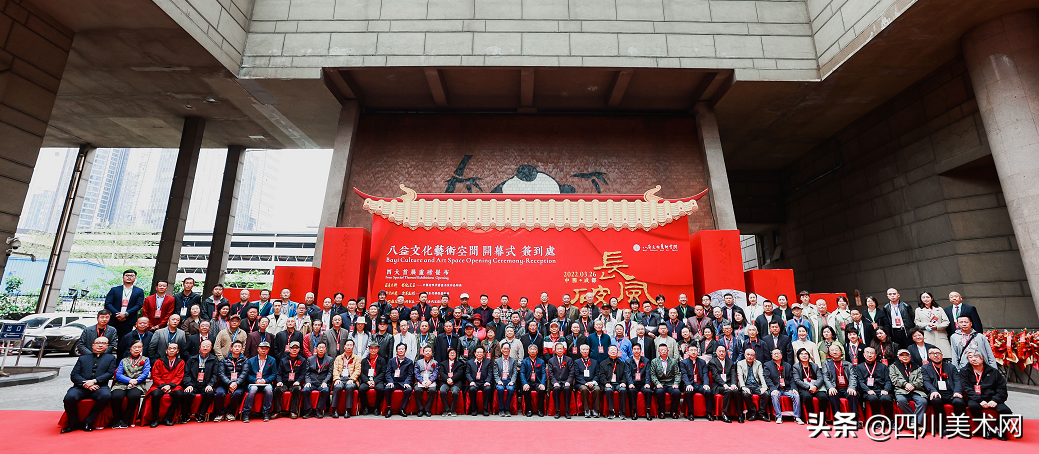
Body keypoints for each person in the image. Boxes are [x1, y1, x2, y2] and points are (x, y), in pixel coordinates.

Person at [62, 337, 117, 433]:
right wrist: (86, 384)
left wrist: (94, 381)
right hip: (81, 387)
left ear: (107, 346)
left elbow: (109, 373)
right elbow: (74, 375)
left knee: (106, 396)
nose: (100, 345)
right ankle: (73, 424)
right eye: (98, 343)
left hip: (99, 386)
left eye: (104, 343)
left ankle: (87, 422)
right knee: (69, 398)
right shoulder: (83, 358)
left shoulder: (111, 358)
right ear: (93, 345)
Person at [960, 350, 1012, 439]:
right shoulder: (964, 371)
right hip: (975, 398)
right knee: (973, 406)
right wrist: (980, 400)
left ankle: (1000, 430)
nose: (973, 359)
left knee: (1006, 411)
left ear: (982, 358)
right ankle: (986, 427)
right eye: (970, 357)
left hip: (992, 397)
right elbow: (967, 389)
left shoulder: (993, 371)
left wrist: (995, 400)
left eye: (976, 357)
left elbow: (1001, 388)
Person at [110, 340, 150, 428]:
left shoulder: (145, 360)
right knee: (116, 396)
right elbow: (118, 375)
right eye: (134, 347)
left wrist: (135, 381)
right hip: (121, 383)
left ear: (142, 349)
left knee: (134, 396)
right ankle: (117, 419)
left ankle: (125, 419)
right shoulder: (124, 360)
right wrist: (129, 380)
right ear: (130, 349)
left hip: (138, 384)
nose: (137, 349)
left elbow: (145, 373)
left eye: (139, 347)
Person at [921, 347, 966, 424]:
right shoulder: (925, 368)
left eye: (938, 353)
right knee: (935, 401)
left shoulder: (951, 367)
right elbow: (926, 381)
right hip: (937, 393)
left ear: (942, 355)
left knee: (959, 401)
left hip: (951, 393)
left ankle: (961, 427)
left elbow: (957, 380)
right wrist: (933, 391)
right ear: (929, 356)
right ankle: (943, 426)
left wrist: (957, 392)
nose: (936, 355)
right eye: (933, 353)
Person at [146, 343, 185, 427]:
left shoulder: (181, 362)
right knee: (156, 394)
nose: (171, 350)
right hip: (159, 385)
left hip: (173, 385)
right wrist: (163, 385)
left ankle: (167, 418)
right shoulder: (159, 361)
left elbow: (179, 376)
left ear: (177, 351)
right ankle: (155, 419)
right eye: (170, 348)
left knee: (179, 394)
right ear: (166, 351)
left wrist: (170, 385)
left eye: (174, 348)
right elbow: (155, 375)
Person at [180, 339, 217, 423]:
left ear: (211, 348)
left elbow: (215, 375)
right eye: (203, 346)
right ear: (199, 348)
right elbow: (186, 374)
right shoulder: (192, 359)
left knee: (210, 393)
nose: (205, 348)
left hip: (205, 384)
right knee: (186, 393)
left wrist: (210, 385)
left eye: (208, 346)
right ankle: (185, 415)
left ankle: (201, 414)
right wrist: (189, 384)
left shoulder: (214, 360)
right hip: (193, 384)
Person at [823, 343, 859, 426]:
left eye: (836, 350)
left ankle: (855, 419)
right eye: (832, 350)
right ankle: (838, 418)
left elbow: (853, 377)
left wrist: (852, 387)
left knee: (853, 395)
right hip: (835, 388)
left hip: (847, 388)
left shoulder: (848, 364)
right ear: (829, 353)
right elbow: (825, 377)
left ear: (841, 352)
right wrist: (830, 387)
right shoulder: (826, 363)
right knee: (832, 395)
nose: (834, 352)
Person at [763, 347, 803, 424]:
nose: (777, 355)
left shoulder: (787, 365)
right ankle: (778, 416)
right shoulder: (767, 365)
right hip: (776, 388)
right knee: (774, 395)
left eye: (778, 353)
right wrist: (773, 389)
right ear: (772, 355)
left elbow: (791, 378)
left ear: (781, 355)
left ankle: (797, 417)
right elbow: (767, 378)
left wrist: (794, 388)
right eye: (774, 354)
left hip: (786, 388)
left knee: (796, 395)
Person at [890, 348, 927, 427]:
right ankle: (915, 420)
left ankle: (914, 422)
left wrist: (913, 385)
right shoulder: (893, 366)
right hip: (901, 390)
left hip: (916, 390)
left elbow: (921, 380)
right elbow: (894, 379)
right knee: (901, 400)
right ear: (898, 357)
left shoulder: (917, 366)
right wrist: (905, 384)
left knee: (923, 401)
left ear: (910, 357)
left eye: (907, 355)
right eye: (902, 355)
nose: (905, 357)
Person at [104, 270, 145, 338]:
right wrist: (117, 314)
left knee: (124, 342)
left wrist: (126, 314)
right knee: (109, 339)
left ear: (135, 278)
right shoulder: (114, 290)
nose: (129, 277)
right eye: (127, 275)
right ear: (123, 277)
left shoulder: (139, 291)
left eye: (131, 276)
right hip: (114, 319)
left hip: (128, 320)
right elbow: (108, 303)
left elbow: (138, 305)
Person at [242, 341, 277, 422]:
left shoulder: (272, 360)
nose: (263, 350)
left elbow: (274, 374)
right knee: (253, 389)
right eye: (261, 348)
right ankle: (246, 412)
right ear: (258, 349)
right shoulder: (250, 360)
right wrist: (255, 380)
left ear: (268, 350)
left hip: (266, 383)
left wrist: (266, 380)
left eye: (266, 349)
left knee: (269, 389)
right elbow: (247, 374)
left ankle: (266, 412)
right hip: (253, 383)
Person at [214, 340, 248, 421]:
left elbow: (244, 373)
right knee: (219, 393)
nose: (237, 348)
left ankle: (230, 412)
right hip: (225, 384)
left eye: (239, 347)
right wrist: (230, 383)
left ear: (242, 349)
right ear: (231, 348)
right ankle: (220, 413)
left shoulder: (245, 360)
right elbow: (221, 373)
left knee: (237, 393)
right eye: (235, 346)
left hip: (239, 384)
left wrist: (236, 383)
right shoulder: (224, 360)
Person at [857, 348, 893, 421]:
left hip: (881, 389)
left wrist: (886, 390)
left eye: (871, 353)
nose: (869, 355)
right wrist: (868, 390)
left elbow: (888, 380)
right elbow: (860, 381)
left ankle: (890, 420)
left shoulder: (883, 367)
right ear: (864, 355)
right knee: (873, 398)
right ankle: (877, 421)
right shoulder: (859, 367)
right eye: (867, 353)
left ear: (875, 356)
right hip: (868, 391)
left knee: (886, 398)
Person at [792, 347, 829, 420]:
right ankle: (812, 417)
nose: (804, 355)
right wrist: (809, 387)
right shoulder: (795, 367)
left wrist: (815, 386)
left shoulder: (814, 365)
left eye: (806, 354)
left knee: (824, 397)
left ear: (809, 356)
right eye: (801, 354)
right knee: (807, 397)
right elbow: (797, 380)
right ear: (798, 356)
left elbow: (820, 378)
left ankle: (822, 418)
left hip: (816, 387)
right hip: (804, 388)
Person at [709, 345, 741, 423]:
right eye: (719, 351)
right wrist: (724, 385)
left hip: (729, 384)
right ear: (716, 352)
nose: (721, 353)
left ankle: (739, 414)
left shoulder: (730, 362)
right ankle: (724, 414)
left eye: (723, 351)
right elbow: (715, 376)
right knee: (728, 391)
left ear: (725, 353)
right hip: (718, 385)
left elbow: (733, 374)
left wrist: (733, 384)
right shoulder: (712, 362)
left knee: (736, 391)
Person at [680, 344, 713, 421]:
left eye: (695, 350)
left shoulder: (702, 362)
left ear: (698, 352)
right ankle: (690, 413)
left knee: (708, 392)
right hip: (691, 384)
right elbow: (684, 375)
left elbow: (705, 374)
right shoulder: (684, 362)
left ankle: (709, 413)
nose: (693, 352)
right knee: (688, 392)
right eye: (691, 350)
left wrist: (706, 384)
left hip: (701, 384)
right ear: (688, 352)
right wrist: (688, 384)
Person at [274, 341, 307, 418]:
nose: (294, 350)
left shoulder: (302, 360)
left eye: (296, 348)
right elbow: (279, 373)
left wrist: (298, 381)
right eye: (292, 348)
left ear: (299, 349)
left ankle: (293, 411)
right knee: (277, 389)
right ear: (289, 349)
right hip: (284, 383)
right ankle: (277, 411)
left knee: (297, 389)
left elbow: (303, 374)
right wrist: (279, 382)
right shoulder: (283, 360)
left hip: (295, 383)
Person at [914, 291, 952, 357]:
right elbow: (917, 323)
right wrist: (926, 324)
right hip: (928, 335)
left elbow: (946, 322)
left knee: (944, 356)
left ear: (932, 298)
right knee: (931, 356)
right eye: (923, 297)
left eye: (928, 297)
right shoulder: (918, 310)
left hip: (940, 335)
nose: (926, 299)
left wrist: (937, 326)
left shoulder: (939, 309)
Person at [649, 344, 681, 419]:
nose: (663, 352)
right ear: (658, 351)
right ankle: (661, 411)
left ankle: (673, 411)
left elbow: (677, 374)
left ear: (668, 351)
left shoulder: (673, 361)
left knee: (677, 392)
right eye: (661, 350)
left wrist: (676, 383)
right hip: (660, 383)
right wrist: (657, 383)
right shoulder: (654, 361)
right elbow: (653, 375)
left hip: (671, 384)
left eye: (665, 350)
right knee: (659, 392)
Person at [330, 339, 360, 418]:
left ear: (353, 347)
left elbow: (358, 370)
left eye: (351, 345)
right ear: (344, 347)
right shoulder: (338, 358)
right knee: (337, 387)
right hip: (340, 378)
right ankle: (334, 409)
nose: (349, 347)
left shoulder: (356, 358)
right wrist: (337, 379)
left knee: (349, 387)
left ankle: (348, 410)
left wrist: (352, 379)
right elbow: (335, 369)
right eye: (347, 345)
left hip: (351, 379)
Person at [302, 342, 333, 418]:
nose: (321, 349)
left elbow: (330, 373)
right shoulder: (310, 359)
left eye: (323, 348)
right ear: (316, 349)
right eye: (319, 347)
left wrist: (325, 382)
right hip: (312, 382)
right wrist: (308, 382)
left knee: (325, 391)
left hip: (322, 382)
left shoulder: (330, 359)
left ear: (325, 349)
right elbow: (307, 372)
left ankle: (319, 410)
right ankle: (308, 410)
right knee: (305, 390)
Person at [737, 348, 768, 421]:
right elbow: (740, 376)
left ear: (754, 356)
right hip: (746, 385)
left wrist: (764, 386)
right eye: (748, 355)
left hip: (757, 385)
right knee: (746, 394)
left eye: (752, 355)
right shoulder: (740, 363)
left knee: (766, 394)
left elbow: (761, 375)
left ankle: (761, 414)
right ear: (744, 355)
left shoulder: (758, 363)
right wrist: (743, 387)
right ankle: (753, 413)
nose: (750, 356)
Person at [384, 343, 414, 417]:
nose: (401, 351)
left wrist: (407, 382)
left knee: (409, 389)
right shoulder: (391, 361)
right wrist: (390, 381)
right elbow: (388, 372)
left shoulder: (409, 362)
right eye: (399, 349)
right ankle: (389, 409)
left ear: (405, 350)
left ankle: (402, 409)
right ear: (396, 351)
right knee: (387, 388)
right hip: (393, 382)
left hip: (403, 383)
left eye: (402, 349)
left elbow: (410, 374)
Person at [627, 342, 653, 420]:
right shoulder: (628, 361)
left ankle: (648, 412)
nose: (636, 351)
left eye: (638, 349)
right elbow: (627, 374)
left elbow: (648, 373)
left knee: (648, 391)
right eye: (634, 349)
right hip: (634, 383)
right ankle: (634, 411)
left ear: (641, 350)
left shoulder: (646, 361)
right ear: (632, 350)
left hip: (643, 383)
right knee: (631, 391)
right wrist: (630, 383)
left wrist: (647, 383)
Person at [494, 339, 520, 416]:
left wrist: (512, 381)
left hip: (509, 379)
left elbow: (515, 372)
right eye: (504, 348)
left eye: (507, 349)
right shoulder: (497, 361)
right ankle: (501, 409)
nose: (506, 350)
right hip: (501, 379)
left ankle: (507, 408)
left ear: (509, 350)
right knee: (500, 388)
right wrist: (498, 380)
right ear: (501, 350)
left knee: (511, 389)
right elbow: (495, 373)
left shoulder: (513, 361)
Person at [520, 344, 547, 417]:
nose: (532, 351)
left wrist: (542, 383)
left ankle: (540, 410)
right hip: (528, 382)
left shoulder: (541, 361)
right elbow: (522, 373)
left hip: (537, 382)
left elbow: (544, 373)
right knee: (526, 390)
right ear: (528, 351)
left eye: (534, 349)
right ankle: (529, 410)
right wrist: (525, 383)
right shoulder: (524, 361)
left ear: (537, 351)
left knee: (542, 390)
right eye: (531, 349)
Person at [573, 344, 600, 418]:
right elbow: (576, 375)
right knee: (584, 389)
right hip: (581, 383)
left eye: (586, 349)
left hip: (592, 382)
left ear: (589, 351)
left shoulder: (594, 362)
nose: (585, 351)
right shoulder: (577, 362)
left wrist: (593, 382)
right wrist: (585, 383)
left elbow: (597, 374)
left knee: (597, 389)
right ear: (580, 351)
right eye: (583, 350)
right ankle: (586, 409)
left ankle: (595, 410)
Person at [438, 347, 466, 416]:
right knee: (442, 391)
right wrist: (448, 379)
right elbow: (441, 373)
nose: (452, 354)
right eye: (451, 353)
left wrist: (452, 379)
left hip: (455, 382)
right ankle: (446, 409)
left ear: (456, 355)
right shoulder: (443, 363)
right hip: (445, 381)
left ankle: (453, 410)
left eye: (454, 353)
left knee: (455, 392)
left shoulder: (459, 364)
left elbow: (459, 373)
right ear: (448, 354)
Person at [467, 346, 493, 416]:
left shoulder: (487, 362)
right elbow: (467, 373)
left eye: (481, 352)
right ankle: (474, 409)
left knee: (488, 389)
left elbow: (490, 373)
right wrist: (471, 381)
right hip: (474, 382)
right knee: (472, 389)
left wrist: (488, 381)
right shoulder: (470, 362)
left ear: (484, 353)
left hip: (484, 382)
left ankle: (485, 409)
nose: (479, 354)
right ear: (475, 353)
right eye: (478, 352)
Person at [412, 346, 438, 417]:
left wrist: (430, 381)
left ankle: (427, 410)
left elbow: (435, 373)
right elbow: (416, 373)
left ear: (432, 353)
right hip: (421, 382)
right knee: (417, 390)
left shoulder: (435, 362)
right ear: (423, 353)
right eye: (426, 351)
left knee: (432, 390)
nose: (428, 352)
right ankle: (420, 409)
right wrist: (421, 381)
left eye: (429, 351)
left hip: (430, 382)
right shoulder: (418, 362)